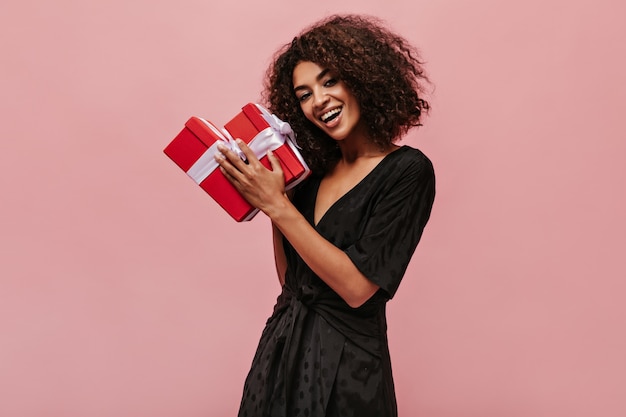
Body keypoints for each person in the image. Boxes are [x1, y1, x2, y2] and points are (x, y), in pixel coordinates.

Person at [215, 14, 436, 417]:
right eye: (303, 94)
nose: (318, 100)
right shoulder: (311, 175)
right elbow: (292, 281)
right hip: (280, 355)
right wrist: (275, 202)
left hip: (348, 369)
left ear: (363, 78)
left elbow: (356, 288)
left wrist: (277, 205)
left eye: (330, 81)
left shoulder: (408, 171)